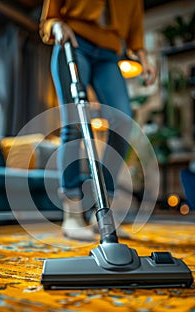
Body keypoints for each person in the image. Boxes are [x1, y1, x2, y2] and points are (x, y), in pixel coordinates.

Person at [39, 0, 156, 240]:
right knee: (74, 123)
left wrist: (143, 55)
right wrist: (56, 26)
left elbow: (135, 31)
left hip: (109, 54)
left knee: (123, 122)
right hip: (73, 41)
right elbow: (49, 19)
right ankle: (72, 213)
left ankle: (103, 213)